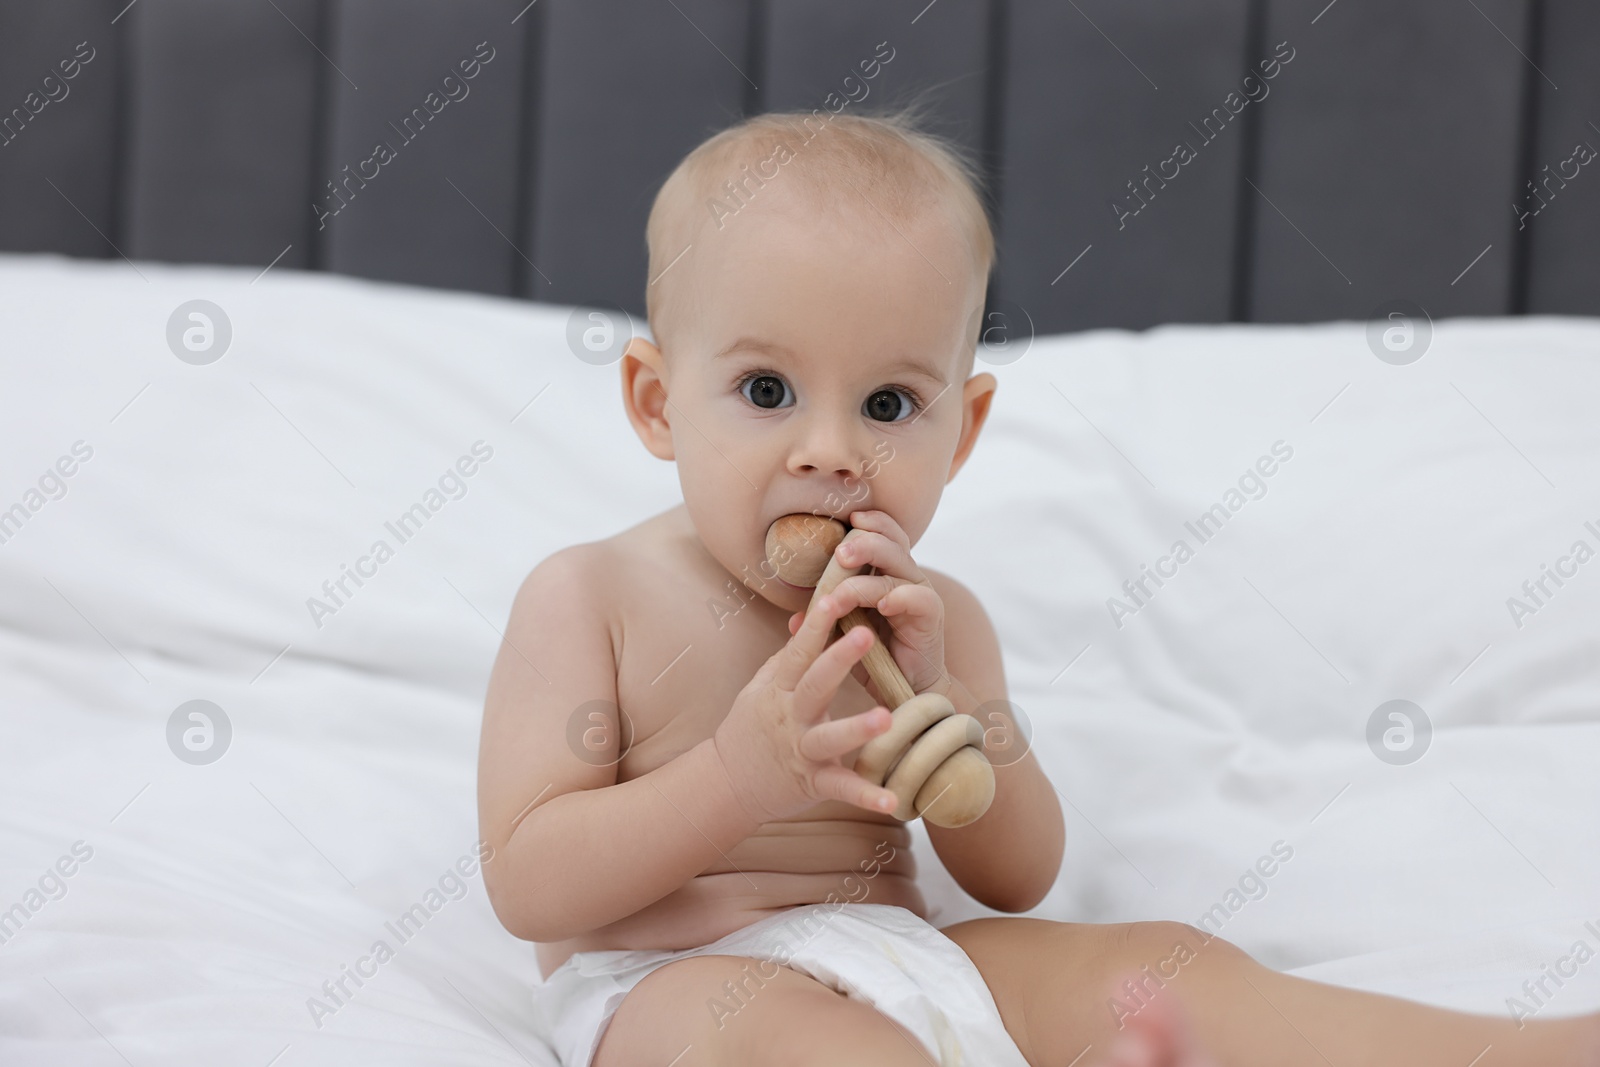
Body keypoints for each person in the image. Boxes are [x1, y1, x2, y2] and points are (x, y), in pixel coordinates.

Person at [476, 105, 1600, 1067]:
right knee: (790, 1038)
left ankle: (1510, 1048)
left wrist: (961, 723)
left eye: (885, 405)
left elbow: (1015, 874)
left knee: (1158, 961)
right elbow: (528, 880)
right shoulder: (591, 596)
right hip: (669, 983)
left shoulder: (932, 615)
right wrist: (737, 774)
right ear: (657, 403)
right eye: (765, 388)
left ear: (959, 431)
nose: (827, 450)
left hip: (901, 950)